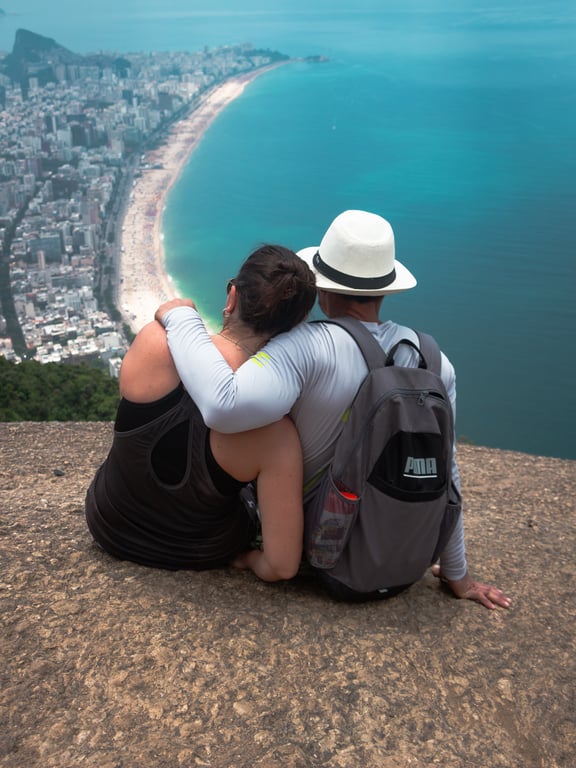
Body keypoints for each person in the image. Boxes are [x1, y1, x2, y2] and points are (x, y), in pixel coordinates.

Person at [156, 210, 511, 610]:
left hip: (320, 557)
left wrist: (181, 318)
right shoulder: (434, 360)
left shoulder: (309, 347)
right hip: (403, 561)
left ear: (322, 289)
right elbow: (446, 471)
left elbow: (223, 406)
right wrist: (456, 573)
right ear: (386, 288)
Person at [85, 244, 317, 582]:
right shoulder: (276, 433)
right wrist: (251, 560)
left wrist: (183, 311)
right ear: (295, 328)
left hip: (109, 525)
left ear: (233, 297)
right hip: (199, 551)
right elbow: (281, 566)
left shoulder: (155, 341)